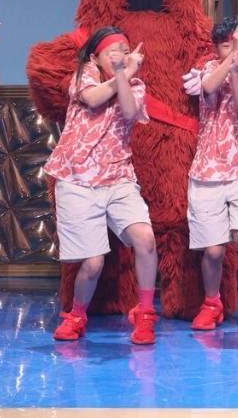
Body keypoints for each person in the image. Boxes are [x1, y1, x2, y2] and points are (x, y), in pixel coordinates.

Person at [44, 27, 160, 345]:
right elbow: (93, 99)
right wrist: (122, 73)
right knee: (93, 263)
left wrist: (124, 74)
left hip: (118, 178)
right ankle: (77, 315)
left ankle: (145, 313)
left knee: (145, 239)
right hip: (77, 179)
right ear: (96, 57)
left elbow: (128, 110)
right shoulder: (84, 74)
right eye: (113, 50)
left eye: (124, 49)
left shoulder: (135, 86)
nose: (120, 54)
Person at [188, 16, 238, 333]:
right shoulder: (209, 69)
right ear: (216, 49)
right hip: (206, 170)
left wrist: (236, 71)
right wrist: (230, 61)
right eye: (226, 45)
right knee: (213, 250)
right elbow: (208, 88)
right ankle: (212, 303)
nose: (235, 50)